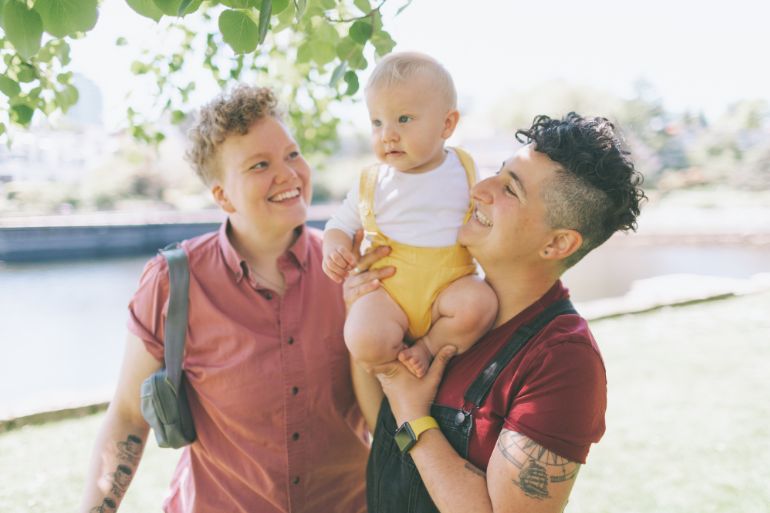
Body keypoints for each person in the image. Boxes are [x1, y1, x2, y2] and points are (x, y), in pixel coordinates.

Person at [79, 85, 372, 513]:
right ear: (222, 196)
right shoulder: (171, 284)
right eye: (260, 164)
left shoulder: (351, 270)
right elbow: (126, 416)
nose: (289, 174)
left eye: (292, 154)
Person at [346, 112, 645, 513]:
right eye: (497, 173)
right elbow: (381, 424)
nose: (480, 188)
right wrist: (361, 310)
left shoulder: (563, 361)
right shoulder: (441, 298)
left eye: (510, 189)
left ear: (557, 244)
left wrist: (414, 417)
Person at [323, 52, 497, 378]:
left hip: (450, 286)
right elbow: (340, 225)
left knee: (480, 304)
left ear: (447, 124)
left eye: (403, 119)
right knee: (362, 336)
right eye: (377, 122)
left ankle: (429, 346)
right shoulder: (372, 182)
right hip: (390, 291)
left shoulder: (465, 169)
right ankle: (396, 378)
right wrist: (334, 248)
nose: (387, 133)